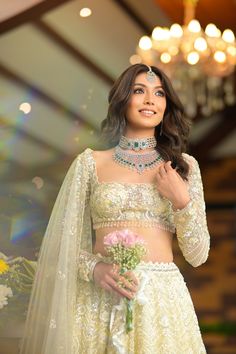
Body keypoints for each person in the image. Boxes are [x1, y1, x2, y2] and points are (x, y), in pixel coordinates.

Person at [20, 64, 210, 354]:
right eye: (139, 91)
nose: (150, 100)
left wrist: (181, 202)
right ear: (123, 100)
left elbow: (198, 255)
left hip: (161, 305)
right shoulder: (89, 163)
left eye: (159, 93)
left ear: (166, 104)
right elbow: (59, 244)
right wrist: (95, 268)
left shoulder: (184, 167)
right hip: (97, 302)